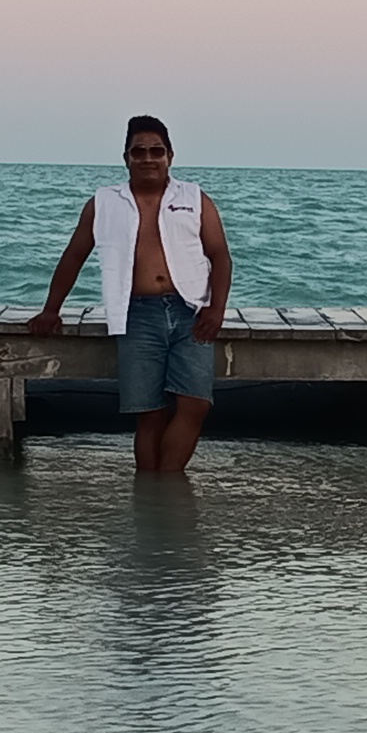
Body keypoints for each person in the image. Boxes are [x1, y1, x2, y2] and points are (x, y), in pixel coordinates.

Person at [27, 114, 232, 475]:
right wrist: (50, 310)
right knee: (149, 413)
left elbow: (220, 255)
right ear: (127, 158)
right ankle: (150, 495)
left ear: (170, 155)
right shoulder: (105, 202)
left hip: (190, 312)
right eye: (139, 152)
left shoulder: (195, 198)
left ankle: (167, 486)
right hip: (136, 314)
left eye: (157, 151)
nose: (148, 158)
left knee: (195, 404)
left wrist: (217, 308)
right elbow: (74, 255)